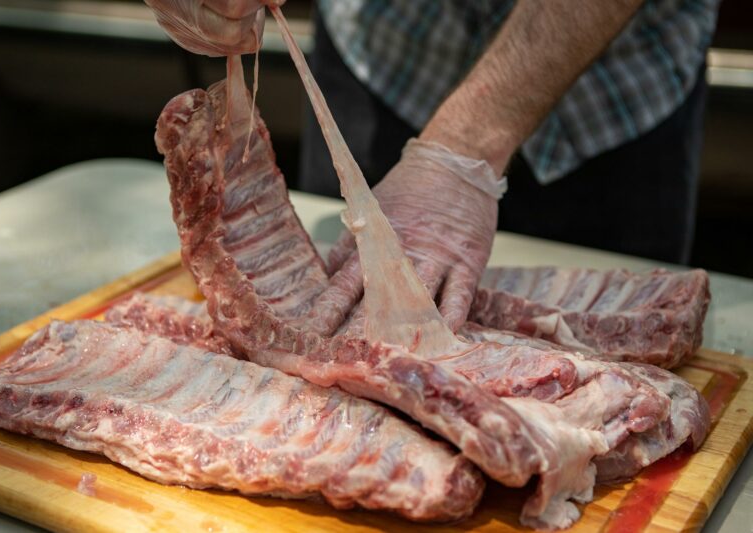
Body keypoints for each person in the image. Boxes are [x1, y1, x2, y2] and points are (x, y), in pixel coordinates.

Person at [144, 0, 719, 332]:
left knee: (625, 333)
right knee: (344, 310)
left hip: (613, 84)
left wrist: (463, 148)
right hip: (394, 54)